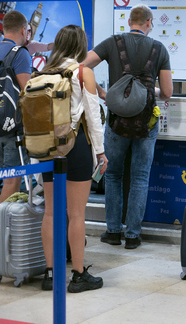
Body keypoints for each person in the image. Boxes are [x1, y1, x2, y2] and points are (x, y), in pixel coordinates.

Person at [83, 4, 173, 249]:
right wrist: (146, 91)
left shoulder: (113, 42)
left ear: (129, 21)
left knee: (112, 175)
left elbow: (83, 65)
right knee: (140, 177)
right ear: (149, 22)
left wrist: (103, 93)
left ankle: (112, 232)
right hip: (146, 122)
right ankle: (133, 235)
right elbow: (166, 92)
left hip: (116, 121)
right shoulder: (159, 48)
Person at [40, 25, 108, 293]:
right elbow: (93, 118)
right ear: (81, 45)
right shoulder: (83, 73)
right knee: (76, 214)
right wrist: (101, 152)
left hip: (46, 148)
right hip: (76, 146)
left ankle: (50, 274)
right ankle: (78, 275)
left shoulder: (42, 73)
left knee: (50, 212)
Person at [0, 11, 31, 204]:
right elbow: (27, 92)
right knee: (12, 180)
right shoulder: (20, 54)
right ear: (23, 30)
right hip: (13, 128)